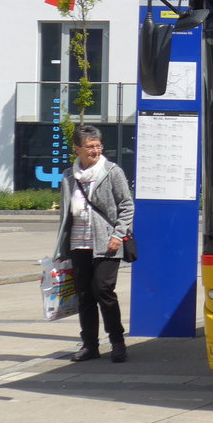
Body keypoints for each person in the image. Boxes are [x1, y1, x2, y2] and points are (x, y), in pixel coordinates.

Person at [52, 123, 135, 362]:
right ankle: (90, 344)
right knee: (84, 295)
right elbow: (65, 214)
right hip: (79, 243)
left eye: (98, 146)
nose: (95, 150)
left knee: (103, 290)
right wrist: (61, 246)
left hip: (107, 243)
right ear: (77, 149)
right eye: (89, 146)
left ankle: (117, 342)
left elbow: (127, 206)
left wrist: (118, 234)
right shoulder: (69, 176)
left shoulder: (111, 172)